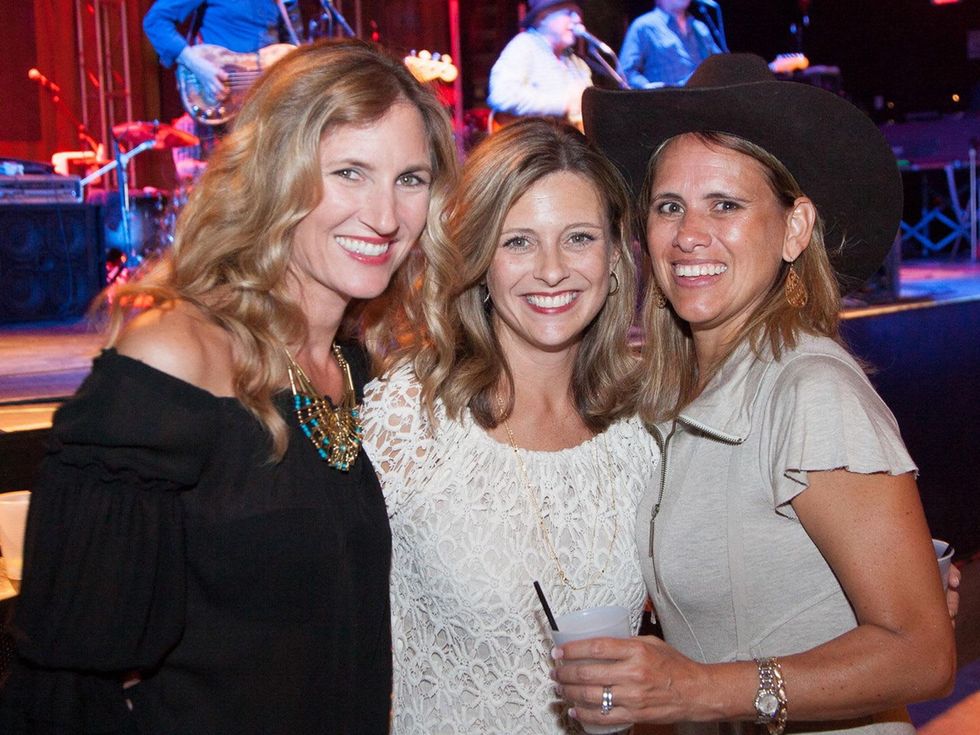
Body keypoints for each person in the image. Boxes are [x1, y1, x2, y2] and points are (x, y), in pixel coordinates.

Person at [0, 38, 458, 734]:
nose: (386, 215)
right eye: (349, 172)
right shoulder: (178, 356)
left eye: (411, 178)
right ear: (275, 175)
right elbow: (67, 680)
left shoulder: (354, 366)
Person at [553, 54, 956, 734]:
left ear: (795, 229)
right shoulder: (676, 392)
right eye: (669, 205)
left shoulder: (810, 390)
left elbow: (922, 652)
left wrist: (701, 689)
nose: (689, 235)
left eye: (727, 205)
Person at [361, 118, 658, 733]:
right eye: (518, 242)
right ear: (478, 258)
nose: (552, 271)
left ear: (614, 258)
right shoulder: (412, 418)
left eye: (578, 238)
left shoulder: (644, 425)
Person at [143, 0, 302, 107]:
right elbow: (155, 21)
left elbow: (292, 45)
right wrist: (197, 65)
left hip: (266, 103)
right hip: (219, 98)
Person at [487, 0, 592, 131]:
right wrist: (562, 103)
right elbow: (502, 95)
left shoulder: (576, 63)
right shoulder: (524, 45)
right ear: (542, 17)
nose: (577, 20)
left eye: (578, 13)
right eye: (569, 13)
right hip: (531, 143)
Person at [619, 0, 721, 88]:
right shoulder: (644, 26)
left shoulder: (700, 28)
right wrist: (647, 87)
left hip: (704, 102)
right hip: (666, 105)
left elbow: (721, 64)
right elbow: (625, 72)